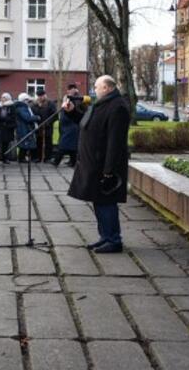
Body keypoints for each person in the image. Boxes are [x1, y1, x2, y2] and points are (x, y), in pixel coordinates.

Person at [62, 75, 130, 254]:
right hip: (94, 163)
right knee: (99, 202)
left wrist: (109, 171)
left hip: (105, 166)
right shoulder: (102, 104)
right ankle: (105, 237)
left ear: (107, 88)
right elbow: (88, 124)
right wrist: (71, 112)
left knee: (107, 202)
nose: (95, 89)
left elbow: (115, 142)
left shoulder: (118, 107)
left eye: (97, 86)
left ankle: (114, 240)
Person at [54, 85, 84, 167]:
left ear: (74, 90)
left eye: (70, 90)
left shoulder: (78, 99)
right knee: (72, 147)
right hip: (67, 126)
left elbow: (76, 111)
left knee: (64, 145)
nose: (68, 92)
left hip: (72, 125)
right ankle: (73, 162)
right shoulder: (70, 98)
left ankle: (57, 161)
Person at [32, 89, 56, 163]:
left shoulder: (50, 103)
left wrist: (48, 122)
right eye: (39, 96)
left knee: (48, 142)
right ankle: (38, 157)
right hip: (38, 127)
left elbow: (55, 115)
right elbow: (33, 114)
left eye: (41, 96)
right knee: (38, 142)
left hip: (47, 127)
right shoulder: (35, 104)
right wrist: (39, 107)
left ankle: (48, 157)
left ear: (44, 95)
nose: (40, 98)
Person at [14, 93, 40, 163]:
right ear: (24, 100)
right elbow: (27, 118)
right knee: (25, 143)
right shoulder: (22, 108)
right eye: (28, 101)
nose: (29, 102)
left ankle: (23, 158)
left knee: (26, 143)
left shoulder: (22, 107)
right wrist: (36, 117)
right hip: (24, 128)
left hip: (24, 127)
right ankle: (22, 158)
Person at [0, 93, 17, 164]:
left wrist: (5, 119)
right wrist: (0, 118)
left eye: (4, 98)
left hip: (7, 128)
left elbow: (13, 116)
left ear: (7, 98)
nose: (2, 99)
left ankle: (4, 158)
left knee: (5, 144)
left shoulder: (12, 106)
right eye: (2, 97)